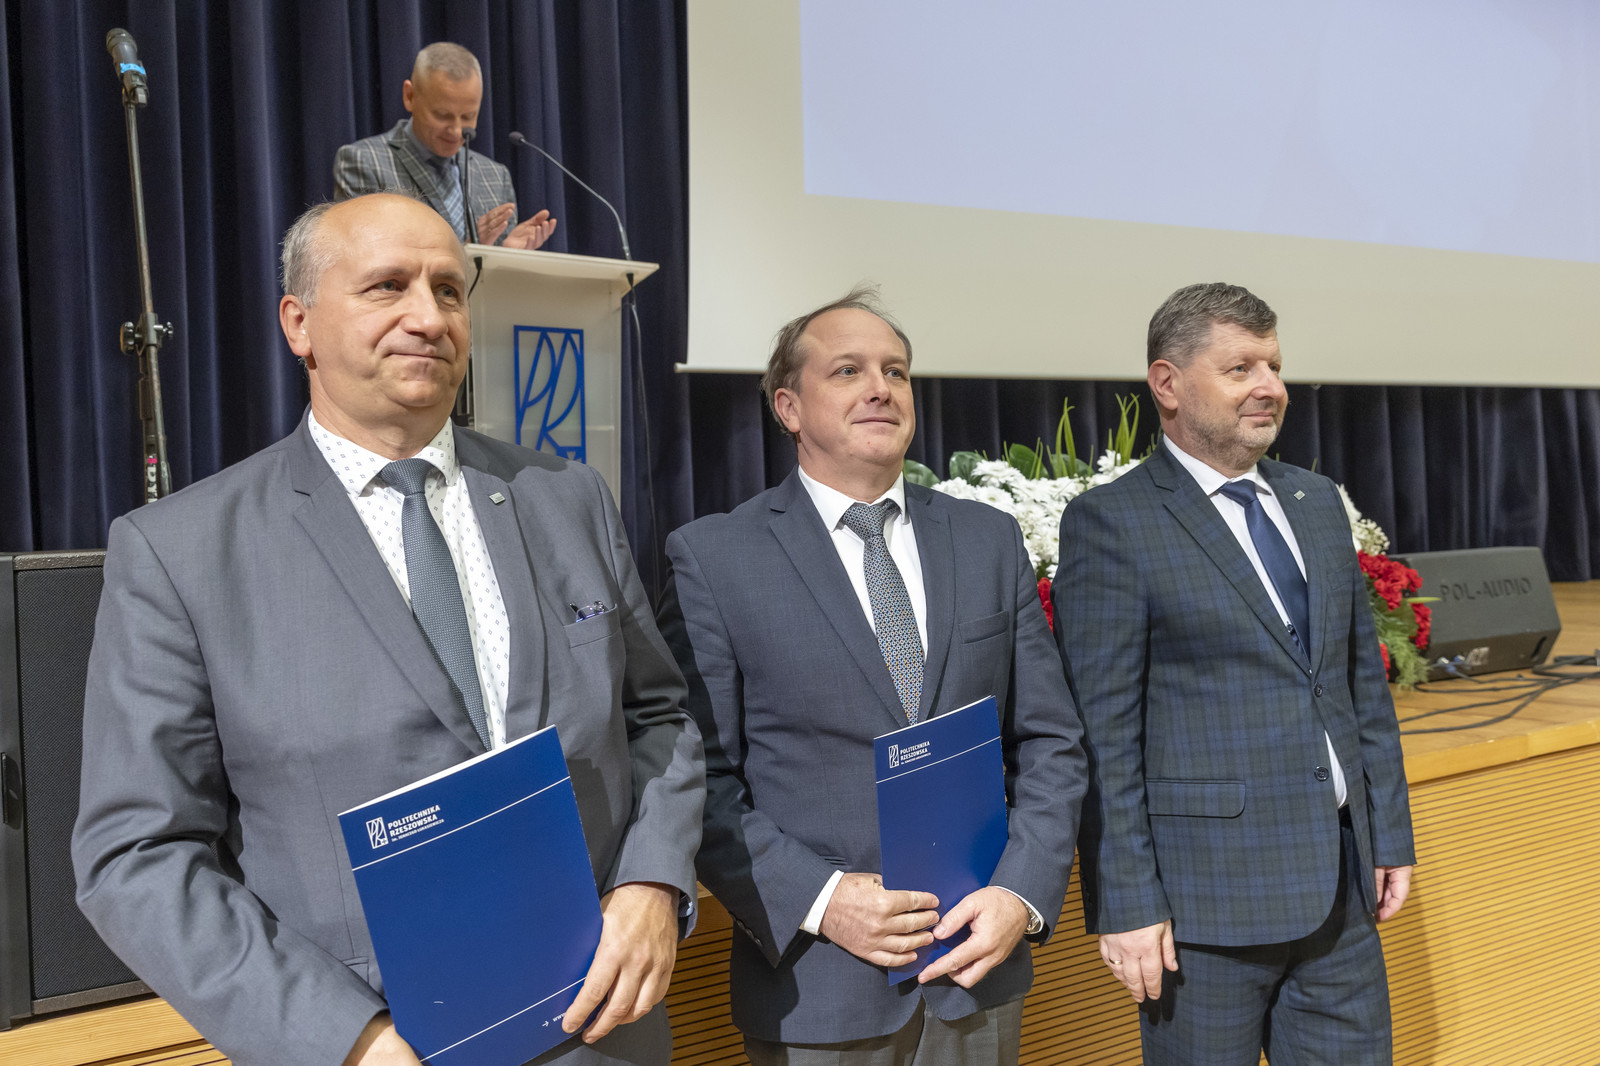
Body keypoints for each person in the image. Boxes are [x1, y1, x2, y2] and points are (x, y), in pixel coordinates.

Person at [72, 193, 702, 1066]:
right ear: (299, 324)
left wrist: (653, 881)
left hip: (604, 1029)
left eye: (449, 290)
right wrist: (344, 1039)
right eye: (386, 286)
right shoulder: (180, 553)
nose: (428, 317)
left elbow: (657, 719)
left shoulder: (568, 499)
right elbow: (136, 855)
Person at [656, 288, 1087, 1064]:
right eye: (848, 370)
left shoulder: (988, 541)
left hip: (977, 974)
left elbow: (1050, 741)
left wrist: (1019, 893)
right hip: (819, 990)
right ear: (789, 407)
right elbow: (698, 780)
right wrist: (823, 901)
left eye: (896, 370)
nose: (881, 388)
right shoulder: (714, 560)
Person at [1052, 282, 1416, 1065]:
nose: (1270, 386)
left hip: (1340, 893)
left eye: (1274, 365)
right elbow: (1103, 738)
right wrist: (1126, 901)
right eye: (1241, 367)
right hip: (1202, 914)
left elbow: (1359, 685)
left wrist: (1388, 834)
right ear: (1168, 383)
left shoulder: (1315, 500)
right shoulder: (1114, 522)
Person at [334, 42, 556, 249]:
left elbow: (497, 272)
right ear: (410, 96)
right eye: (442, 115)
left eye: (468, 116)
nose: (457, 131)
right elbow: (367, 259)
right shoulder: (363, 162)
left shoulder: (496, 176)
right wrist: (469, 250)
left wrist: (508, 255)